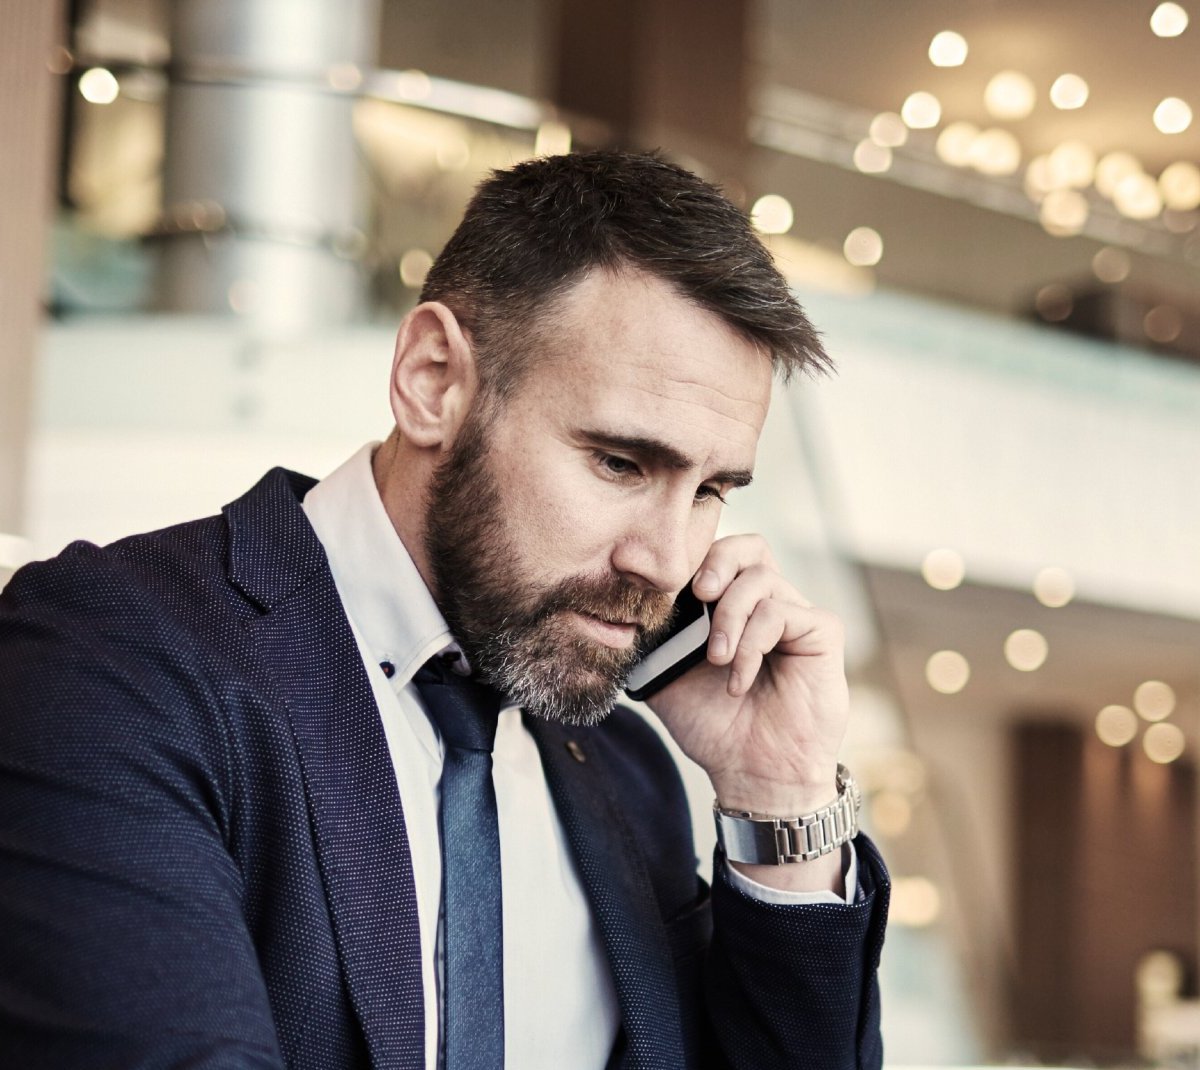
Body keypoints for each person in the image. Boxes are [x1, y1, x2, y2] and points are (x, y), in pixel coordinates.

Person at [0, 151, 888, 1069]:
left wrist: (779, 796)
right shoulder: (102, 659)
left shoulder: (626, 765)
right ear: (433, 381)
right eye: (621, 464)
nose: (667, 562)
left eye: (711, 490)